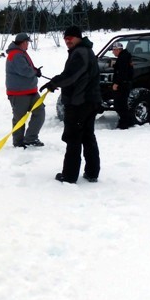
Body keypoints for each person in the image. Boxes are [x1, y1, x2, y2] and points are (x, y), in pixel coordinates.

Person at [40, 26, 101, 184]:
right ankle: (92, 172)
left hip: (79, 103)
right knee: (88, 137)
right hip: (88, 102)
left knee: (73, 139)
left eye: (71, 38)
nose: (68, 41)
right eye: (66, 38)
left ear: (79, 37)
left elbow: (71, 75)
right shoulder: (84, 51)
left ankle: (69, 176)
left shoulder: (80, 52)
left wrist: (54, 82)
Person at [5, 32, 44, 147]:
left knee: (40, 112)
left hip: (30, 91)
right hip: (19, 93)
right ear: (23, 43)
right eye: (27, 42)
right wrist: (35, 72)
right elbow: (24, 71)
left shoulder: (21, 53)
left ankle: (31, 138)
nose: (28, 45)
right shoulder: (16, 54)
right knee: (19, 119)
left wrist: (35, 70)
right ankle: (18, 142)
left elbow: (27, 68)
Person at [110, 41, 134, 129]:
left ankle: (124, 123)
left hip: (122, 85)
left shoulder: (123, 58)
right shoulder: (125, 56)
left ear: (118, 50)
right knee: (122, 104)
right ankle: (128, 121)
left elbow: (122, 72)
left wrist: (116, 83)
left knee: (119, 104)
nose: (113, 52)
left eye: (114, 50)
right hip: (125, 84)